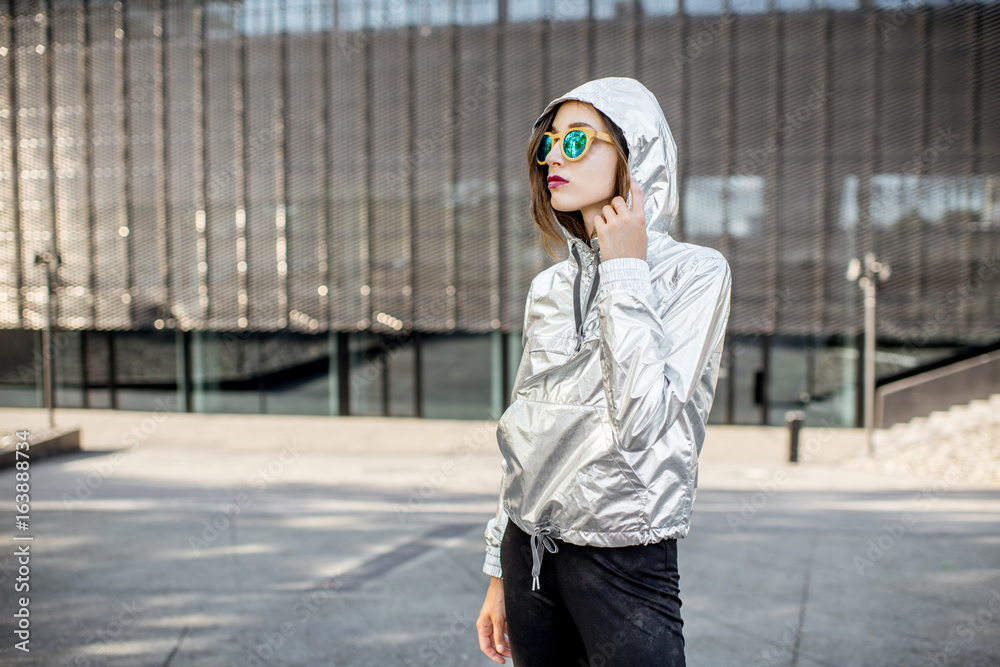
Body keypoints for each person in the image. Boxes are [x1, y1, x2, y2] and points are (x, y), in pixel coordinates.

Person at [474, 77, 732, 666]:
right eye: (549, 144)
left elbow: (643, 418)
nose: (552, 160)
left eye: (578, 142)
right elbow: (526, 433)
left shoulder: (696, 273)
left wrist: (624, 270)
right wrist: (496, 568)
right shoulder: (549, 287)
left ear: (634, 151)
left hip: (624, 555)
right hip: (529, 555)